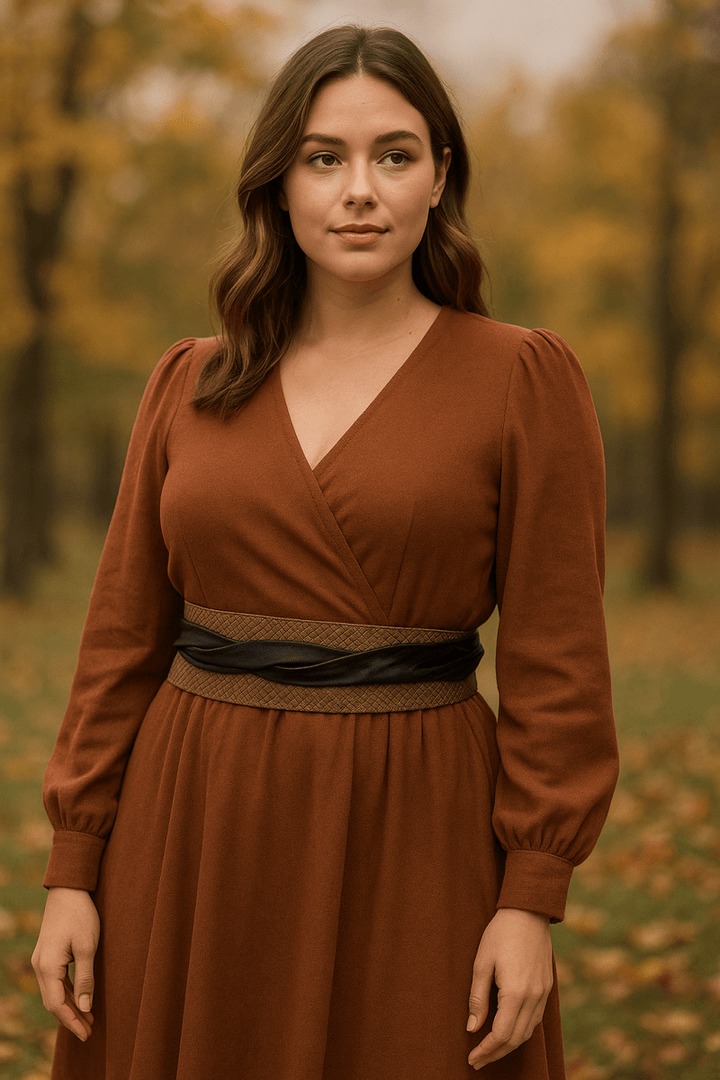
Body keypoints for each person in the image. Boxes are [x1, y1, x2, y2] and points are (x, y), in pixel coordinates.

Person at [32, 24, 619, 1080]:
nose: (359, 190)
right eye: (323, 157)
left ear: (440, 176)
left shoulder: (520, 380)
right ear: (278, 181)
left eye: (394, 155)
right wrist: (74, 868)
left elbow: (559, 664)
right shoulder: (189, 381)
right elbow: (121, 637)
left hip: (415, 825)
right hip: (193, 822)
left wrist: (531, 897)